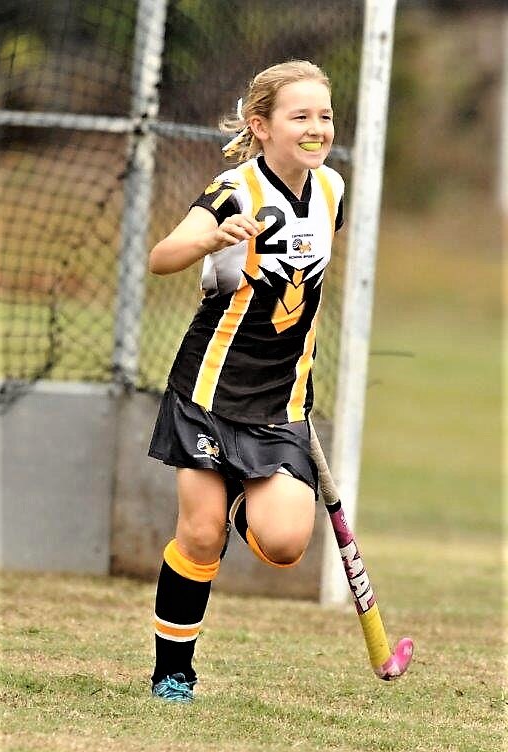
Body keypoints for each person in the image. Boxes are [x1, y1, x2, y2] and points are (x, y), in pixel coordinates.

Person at [147, 60, 344, 702]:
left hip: (280, 400)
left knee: (285, 543)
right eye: (301, 117)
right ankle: (173, 672)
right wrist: (211, 241)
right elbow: (161, 258)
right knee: (200, 536)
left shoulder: (332, 191)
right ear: (260, 126)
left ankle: (241, 498)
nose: (317, 128)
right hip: (209, 387)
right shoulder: (234, 190)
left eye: (325, 116)